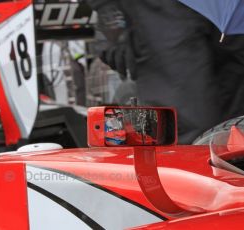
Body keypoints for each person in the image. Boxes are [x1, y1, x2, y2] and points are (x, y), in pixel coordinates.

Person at [86, 0, 244, 144]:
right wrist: (107, 7)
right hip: (163, 12)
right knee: (190, 124)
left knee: (235, 123)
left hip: (226, 9)